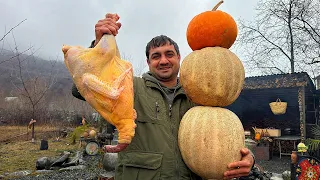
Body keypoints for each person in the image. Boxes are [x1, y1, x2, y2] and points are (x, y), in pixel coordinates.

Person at [71, 13, 254, 180]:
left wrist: (249, 158)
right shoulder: (131, 88)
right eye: (156, 56)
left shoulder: (200, 96)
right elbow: (82, 88)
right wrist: (98, 47)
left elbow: (223, 134)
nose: (164, 60)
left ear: (179, 57)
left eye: (169, 54)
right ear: (148, 62)